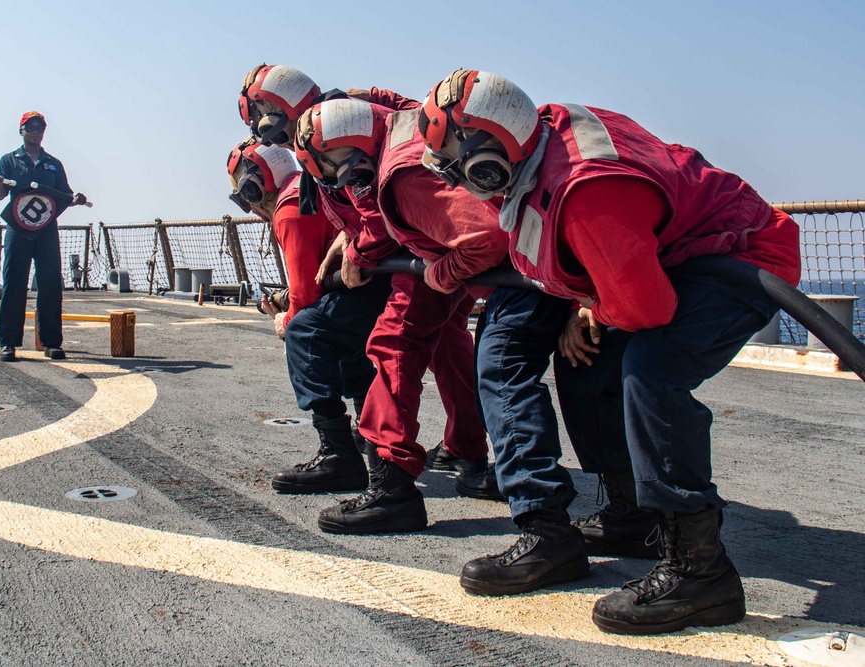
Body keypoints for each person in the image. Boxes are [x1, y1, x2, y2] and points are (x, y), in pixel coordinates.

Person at [417, 69, 800, 634]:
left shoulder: (586, 190)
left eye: (455, 160)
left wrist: (598, 306)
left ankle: (701, 572)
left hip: (741, 259)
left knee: (653, 373)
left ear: (490, 150)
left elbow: (646, 310)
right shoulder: (541, 139)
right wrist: (590, 303)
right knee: (589, 360)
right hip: (675, 257)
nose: (455, 176)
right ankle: (630, 515)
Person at [239, 64, 499, 495]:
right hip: (432, 247)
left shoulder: (330, 139)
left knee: (382, 343)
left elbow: (375, 203)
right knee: (447, 343)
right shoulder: (358, 111)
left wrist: (357, 247)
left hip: (417, 251)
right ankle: (465, 449)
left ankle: (383, 475)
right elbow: (416, 118)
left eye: (260, 116)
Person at [294, 98, 511, 534]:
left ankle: (392, 489)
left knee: (393, 343)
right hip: (504, 265)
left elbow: (486, 238)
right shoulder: (397, 129)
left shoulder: (401, 179)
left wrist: (440, 275)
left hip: (507, 271)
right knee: (458, 350)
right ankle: (470, 456)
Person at [227, 137, 392, 494]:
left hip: (366, 286)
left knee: (304, 332)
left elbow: (304, 295)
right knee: (342, 336)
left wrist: (283, 321)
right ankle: (367, 431)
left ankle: (337, 456)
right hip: (380, 283)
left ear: (255, 187)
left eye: (245, 196)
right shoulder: (305, 187)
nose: (250, 206)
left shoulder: (288, 208)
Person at [0, 111, 86, 362]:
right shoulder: (8, 161)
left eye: (39, 127)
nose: (35, 131)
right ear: (21, 130)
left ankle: (52, 342)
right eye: (30, 126)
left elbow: (65, 194)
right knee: (13, 284)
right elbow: (0, 196)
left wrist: (76, 199)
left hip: (46, 230)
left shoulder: (53, 164)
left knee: (51, 284)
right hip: (17, 229)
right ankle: (8, 343)